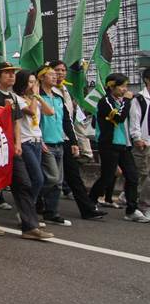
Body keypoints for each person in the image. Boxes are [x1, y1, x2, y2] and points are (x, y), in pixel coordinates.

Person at [0, 62, 54, 241]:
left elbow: (16, 122)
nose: (11, 76)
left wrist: (17, 143)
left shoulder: (14, 98)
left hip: (13, 148)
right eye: (6, 73)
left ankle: (30, 226)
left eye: (12, 73)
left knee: (24, 184)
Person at [89, 73, 149, 222]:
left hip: (124, 144)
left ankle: (131, 210)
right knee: (107, 177)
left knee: (132, 176)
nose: (125, 89)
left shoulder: (123, 101)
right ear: (112, 87)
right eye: (122, 86)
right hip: (109, 144)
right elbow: (119, 117)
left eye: (126, 86)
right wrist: (127, 101)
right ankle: (90, 201)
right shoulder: (106, 102)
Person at [50, 60, 105, 220]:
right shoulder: (46, 91)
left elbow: (68, 118)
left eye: (62, 70)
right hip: (50, 139)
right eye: (56, 70)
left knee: (73, 175)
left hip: (65, 137)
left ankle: (87, 209)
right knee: (48, 178)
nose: (60, 73)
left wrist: (74, 141)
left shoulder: (66, 90)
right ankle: (41, 207)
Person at [36, 64, 76, 226]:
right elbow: (35, 123)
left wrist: (73, 142)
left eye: (55, 74)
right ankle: (33, 203)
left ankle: (51, 212)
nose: (55, 76)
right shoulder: (37, 98)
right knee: (51, 178)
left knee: (58, 181)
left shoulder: (58, 98)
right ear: (41, 77)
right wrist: (41, 141)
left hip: (60, 142)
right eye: (51, 74)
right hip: (45, 144)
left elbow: (67, 122)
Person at [13, 70, 54, 205]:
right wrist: (36, 96)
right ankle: (27, 208)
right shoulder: (17, 99)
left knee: (35, 178)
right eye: (30, 82)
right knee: (37, 178)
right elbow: (30, 112)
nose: (32, 85)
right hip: (25, 142)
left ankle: (28, 209)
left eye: (34, 82)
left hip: (37, 141)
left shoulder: (34, 99)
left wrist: (38, 97)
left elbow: (50, 112)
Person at [129, 67, 150, 216]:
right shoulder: (139, 99)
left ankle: (142, 202)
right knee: (143, 175)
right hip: (144, 142)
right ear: (147, 80)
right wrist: (137, 138)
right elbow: (135, 120)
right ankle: (141, 205)